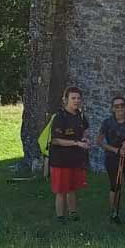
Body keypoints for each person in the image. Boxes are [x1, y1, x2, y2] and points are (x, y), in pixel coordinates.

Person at [48, 86, 90, 223]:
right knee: (61, 190)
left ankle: (73, 213)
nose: (76, 101)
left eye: (78, 98)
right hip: (60, 159)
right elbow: (56, 139)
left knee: (72, 187)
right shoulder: (60, 117)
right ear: (66, 100)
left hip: (75, 159)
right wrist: (77, 143)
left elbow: (85, 130)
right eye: (73, 98)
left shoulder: (80, 114)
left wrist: (84, 138)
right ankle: (60, 217)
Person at [99, 95, 125, 224]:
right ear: (112, 108)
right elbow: (99, 141)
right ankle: (114, 213)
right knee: (115, 186)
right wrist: (115, 150)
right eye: (117, 106)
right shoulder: (107, 122)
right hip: (112, 157)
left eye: (122, 105)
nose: (120, 108)